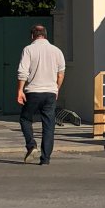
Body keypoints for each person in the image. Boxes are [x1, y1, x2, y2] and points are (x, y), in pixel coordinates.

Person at [17, 24, 66, 165]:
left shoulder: (28, 50)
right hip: (50, 92)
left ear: (32, 36)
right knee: (49, 125)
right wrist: (56, 88)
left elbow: (23, 72)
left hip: (33, 91)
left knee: (25, 119)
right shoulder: (57, 51)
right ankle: (45, 159)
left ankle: (31, 145)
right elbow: (61, 73)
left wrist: (20, 90)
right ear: (45, 35)